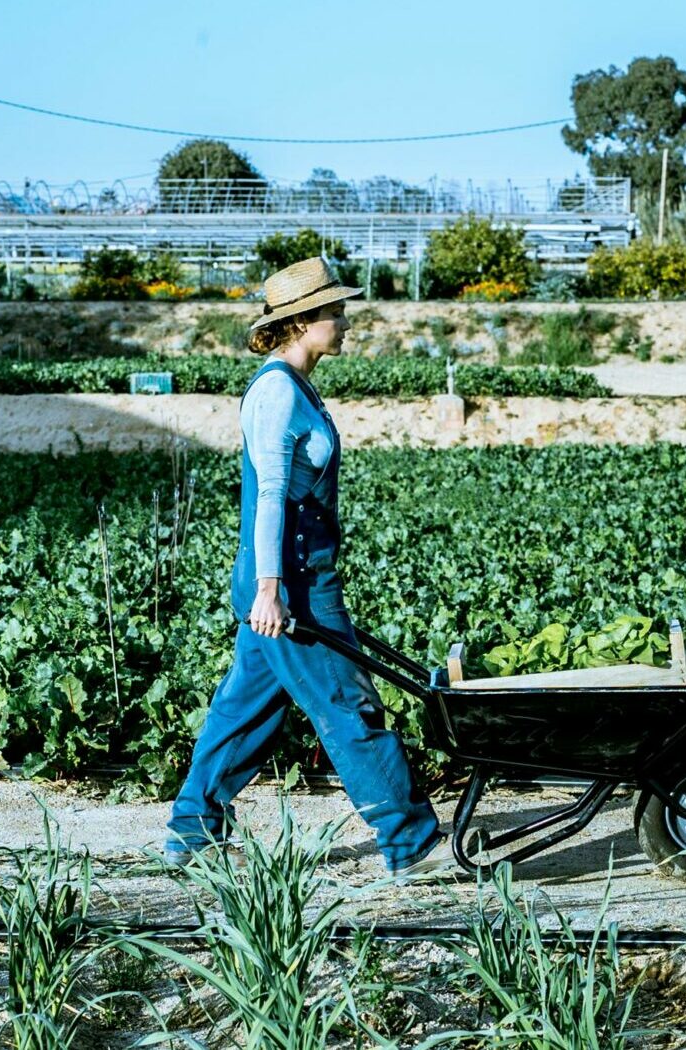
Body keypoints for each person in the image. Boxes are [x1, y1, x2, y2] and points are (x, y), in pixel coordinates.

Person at [161, 256, 450, 877]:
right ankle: (409, 842)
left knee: (246, 710)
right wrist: (270, 590)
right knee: (348, 703)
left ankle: (191, 831)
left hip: (294, 574)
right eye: (335, 312)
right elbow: (269, 495)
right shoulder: (275, 392)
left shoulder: (297, 385)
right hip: (291, 581)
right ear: (300, 323)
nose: (345, 322)